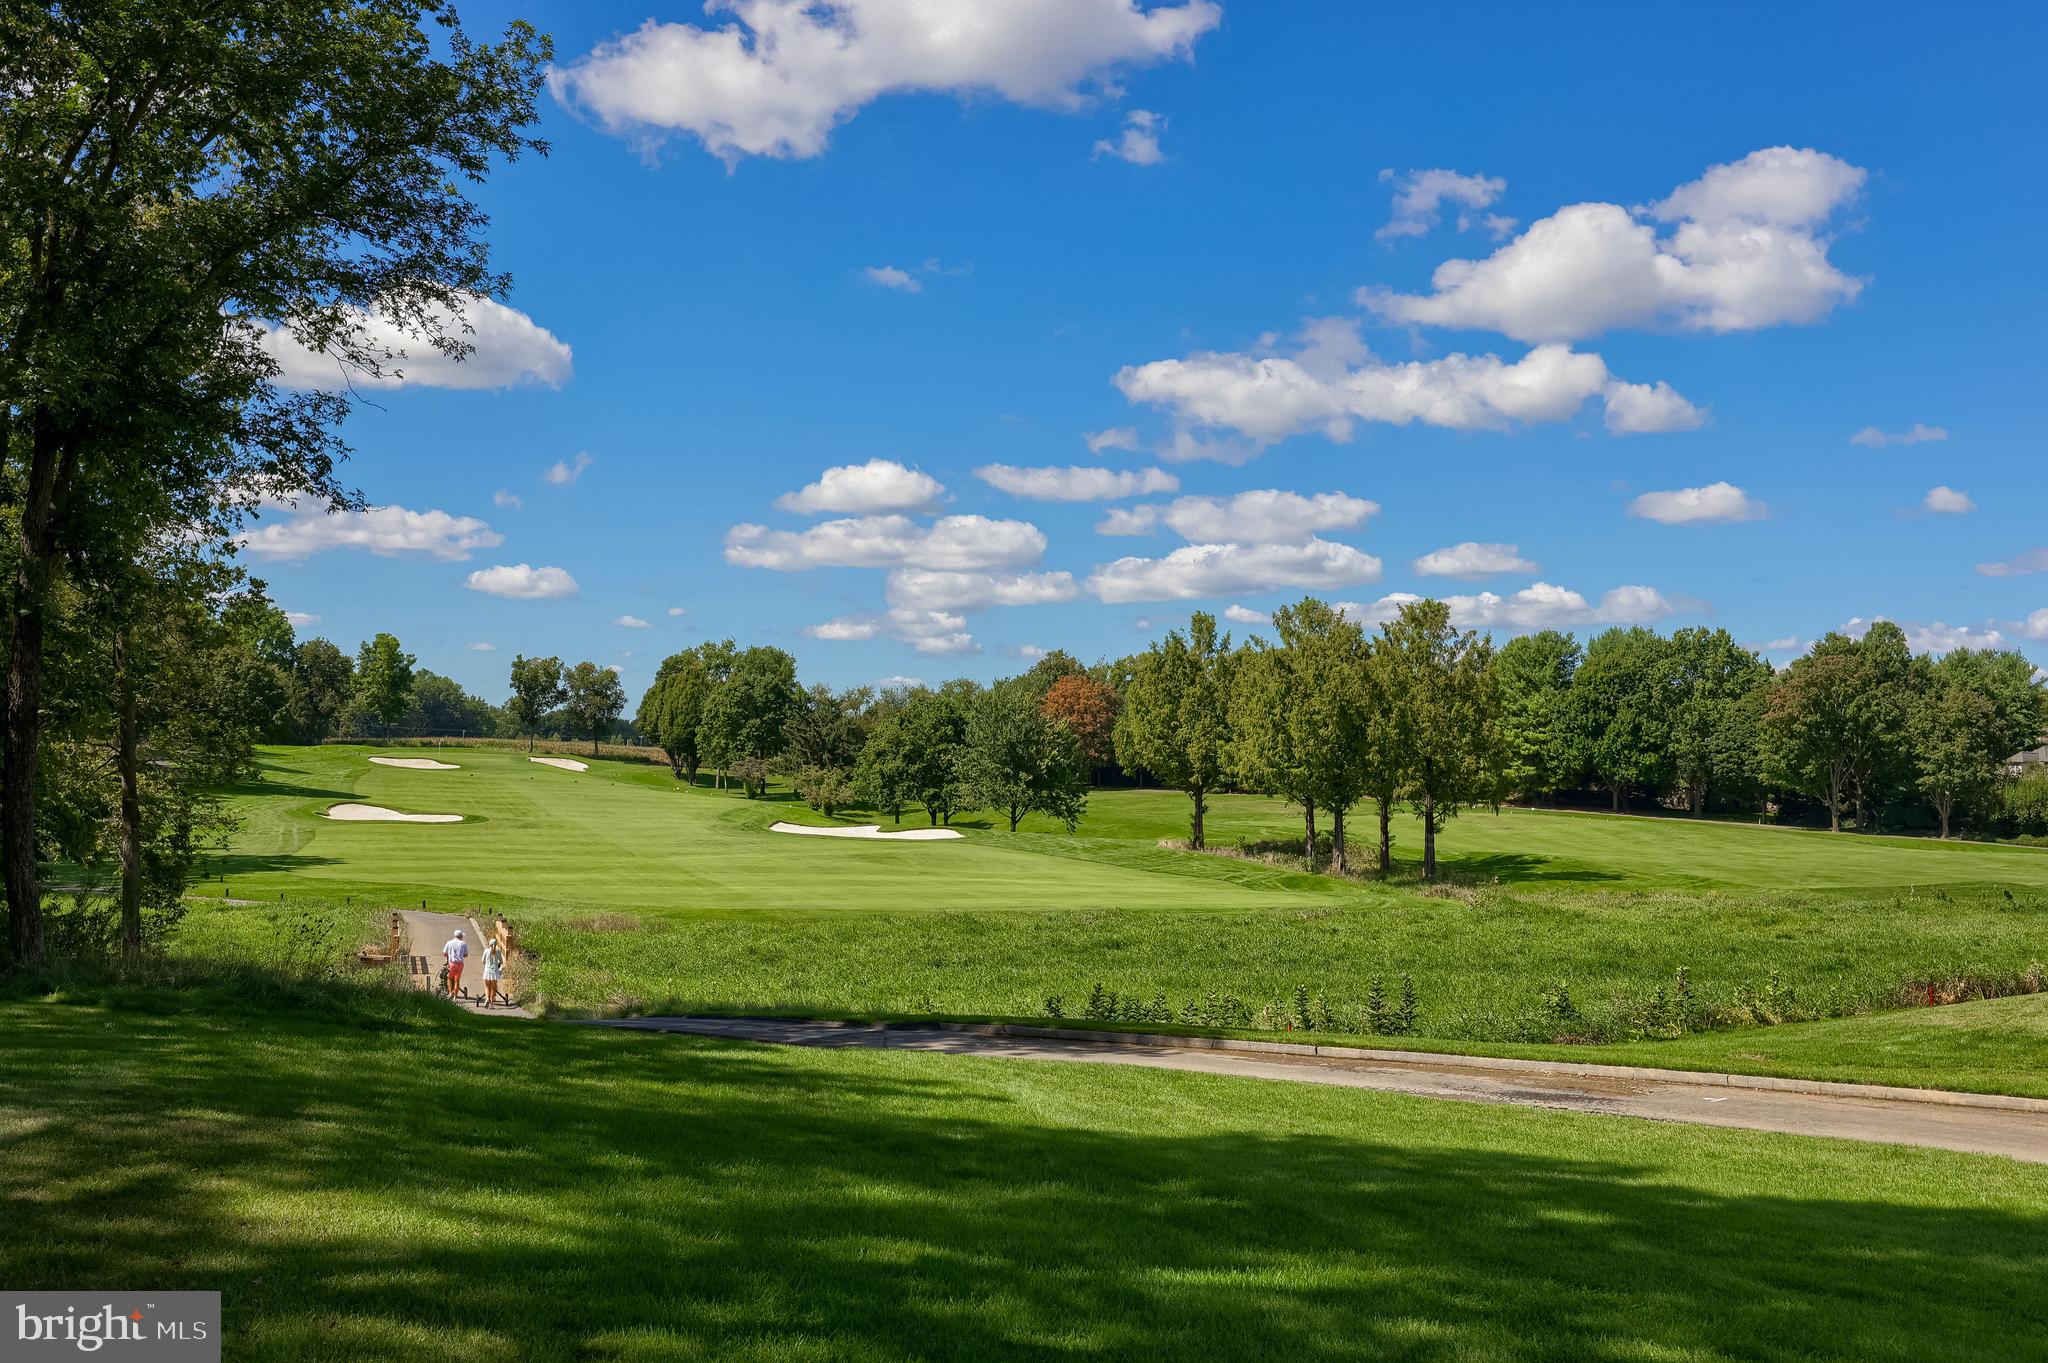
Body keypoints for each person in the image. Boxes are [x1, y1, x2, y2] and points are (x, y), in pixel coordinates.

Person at [479, 934, 506, 1008]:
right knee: (493, 988)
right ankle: (491, 1003)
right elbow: (501, 961)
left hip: (487, 971)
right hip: (494, 972)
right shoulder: (498, 951)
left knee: (487, 986)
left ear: (489, 944)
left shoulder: (486, 951)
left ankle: (487, 998)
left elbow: (483, 961)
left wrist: (486, 963)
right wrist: (498, 964)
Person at [441, 929, 469, 999]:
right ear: (461, 936)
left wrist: (449, 955)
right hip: (460, 964)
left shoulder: (449, 943)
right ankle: (455, 996)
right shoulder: (463, 943)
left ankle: (450, 993)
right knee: (457, 980)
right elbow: (466, 955)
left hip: (452, 963)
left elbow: (444, 953)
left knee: (450, 978)